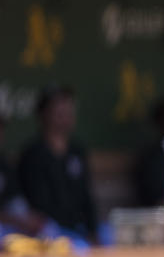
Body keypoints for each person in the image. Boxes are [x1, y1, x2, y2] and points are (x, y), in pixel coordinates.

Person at [17, 86, 108, 248]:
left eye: (68, 109)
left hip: (81, 227)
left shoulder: (77, 151)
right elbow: (39, 205)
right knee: (79, 247)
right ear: (43, 114)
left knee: (111, 236)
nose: (65, 115)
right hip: (51, 230)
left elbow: (86, 197)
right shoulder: (33, 154)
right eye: (59, 110)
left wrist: (92, 231)